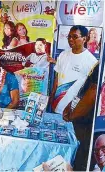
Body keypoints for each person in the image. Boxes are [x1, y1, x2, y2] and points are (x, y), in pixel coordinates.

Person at [50, 25, 98, 171]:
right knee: (54, 146)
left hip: (72, 114)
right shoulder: (63, 55)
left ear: (85, 38)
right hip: (55, 109)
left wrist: (74, 109)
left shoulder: (91, 61)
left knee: (69, 149)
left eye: (75, 37)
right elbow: (57, 80)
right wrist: (52, 99)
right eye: (69, 37)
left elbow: (88, 91)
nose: (71, 40)